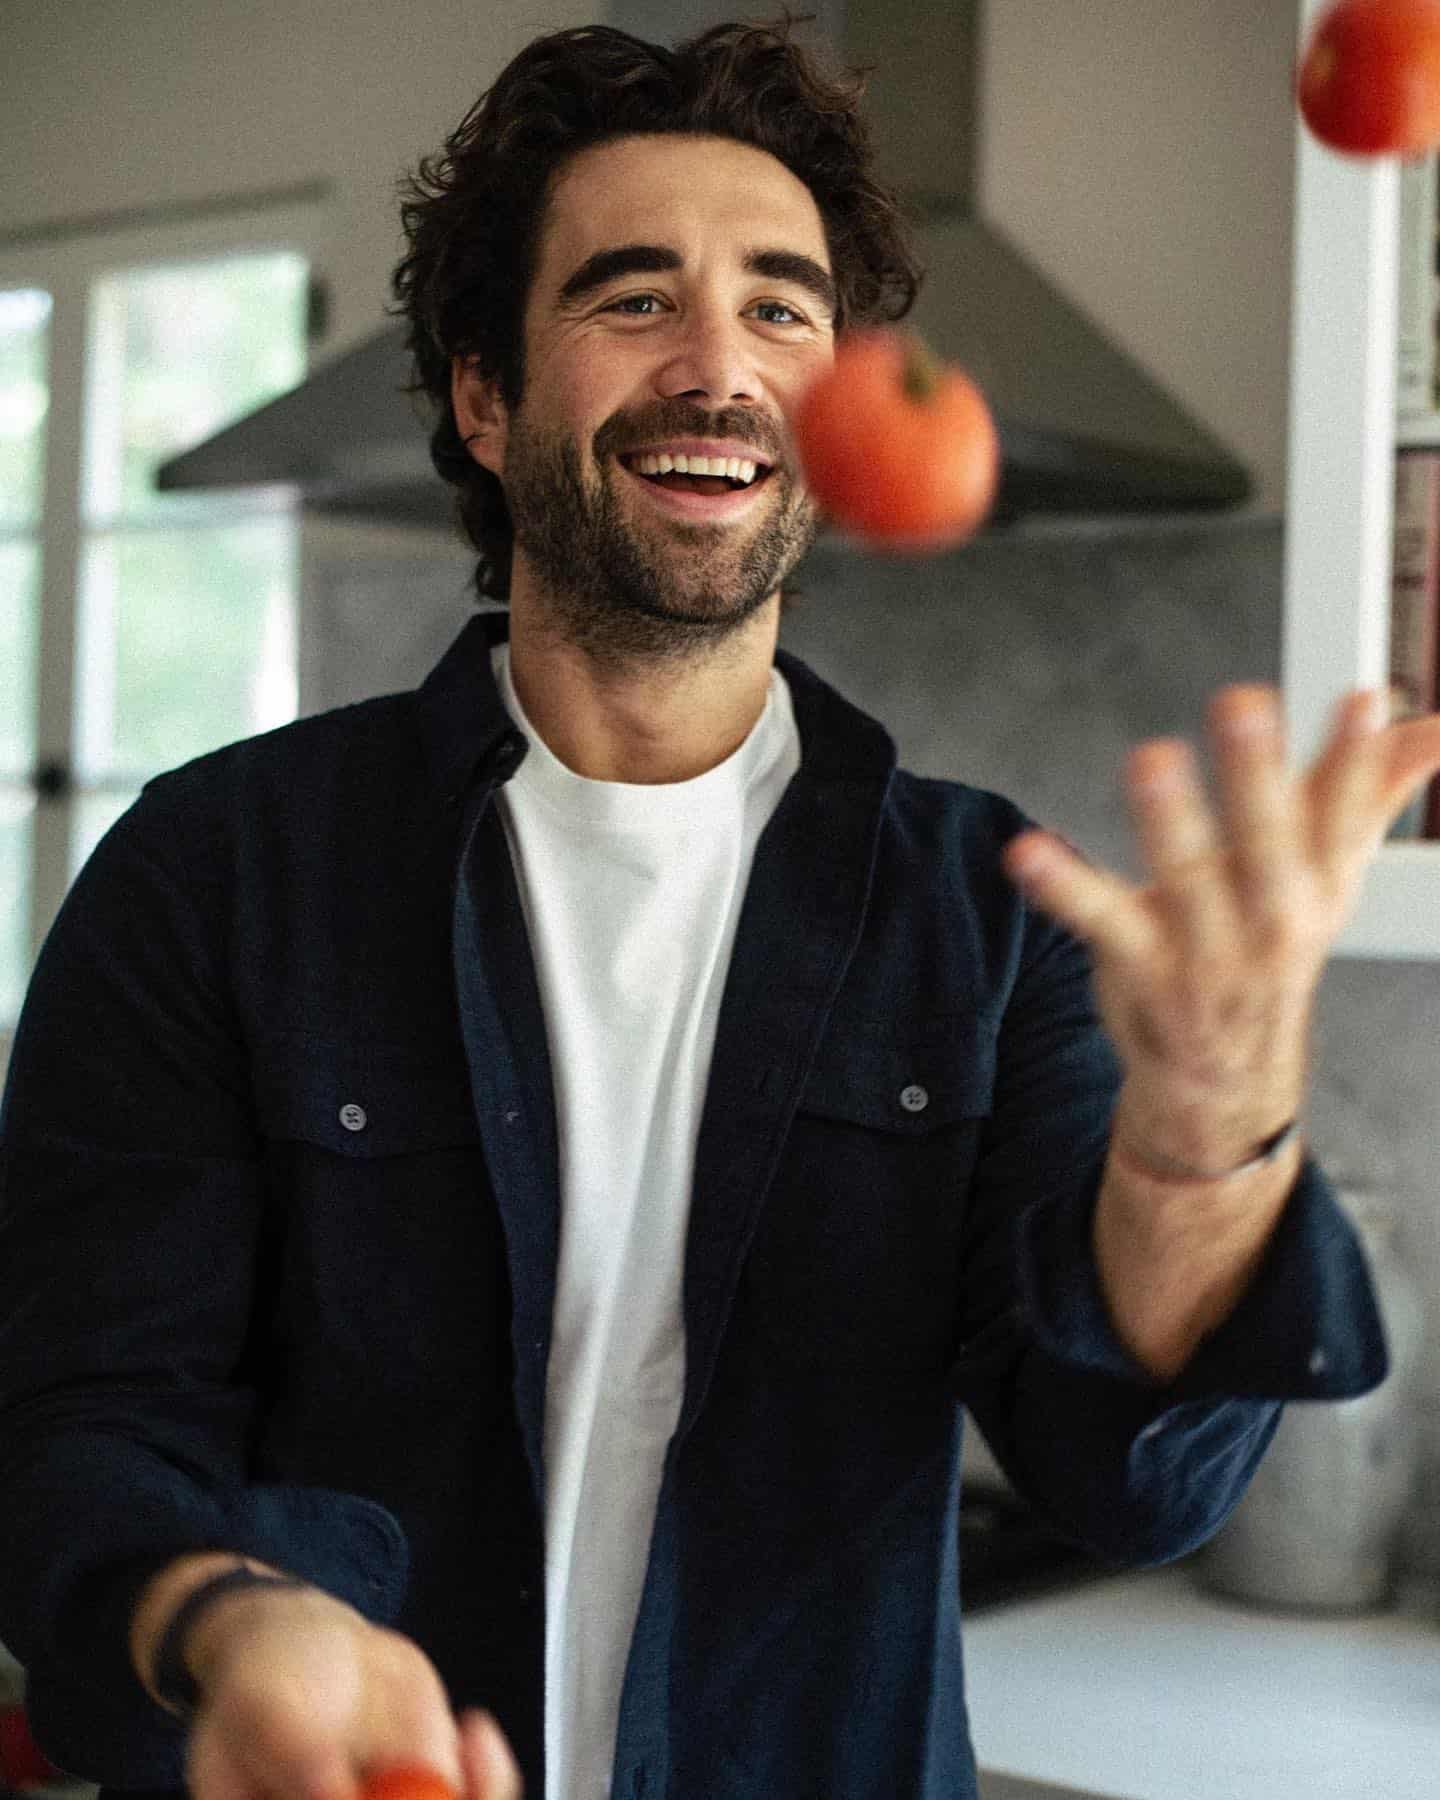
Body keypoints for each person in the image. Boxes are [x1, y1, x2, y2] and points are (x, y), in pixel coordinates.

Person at [1, 15, 1437, 1800]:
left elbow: (1130, 1478)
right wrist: (227, 1620)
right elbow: (78, 1426)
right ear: (482, 393)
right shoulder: (214, 879)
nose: (718, 365)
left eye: (780, 305)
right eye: (629, 297)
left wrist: (1203, 1151)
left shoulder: (985, 923)